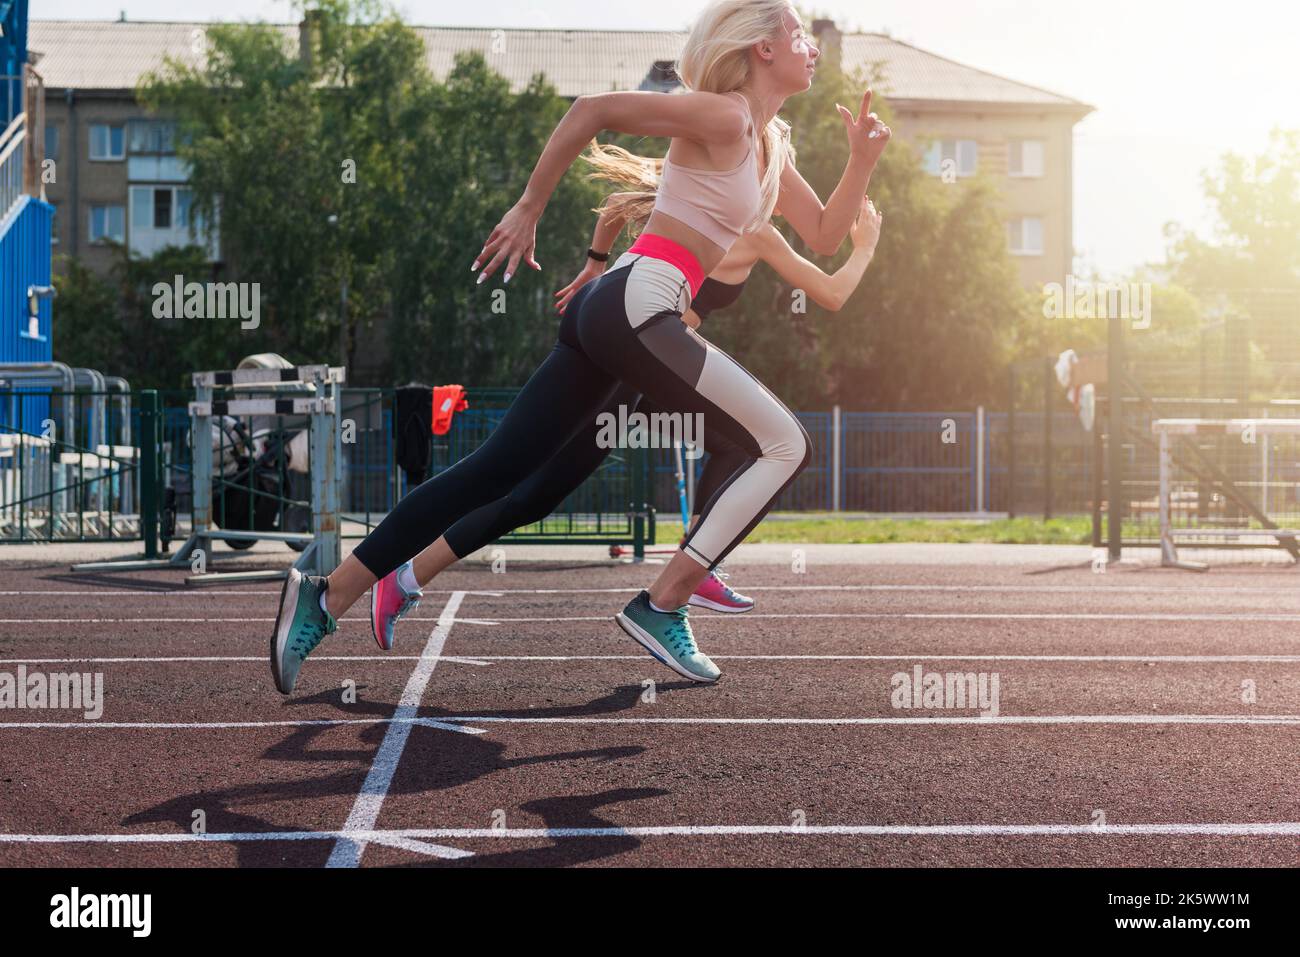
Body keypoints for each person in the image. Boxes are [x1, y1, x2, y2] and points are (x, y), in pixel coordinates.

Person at [270, 0, 891, 694]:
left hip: (620, 303)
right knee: (785, 443)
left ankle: (326, 596)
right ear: (763, 50)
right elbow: (592, 109)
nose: (811, 45)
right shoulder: (725, 115)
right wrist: (529, 207)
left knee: (495, 472)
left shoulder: (766, 143)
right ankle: (665, 601)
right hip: (638, 302)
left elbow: (829, 234)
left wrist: (862, 160)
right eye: (799, 32)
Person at [368, 174, 883, 649]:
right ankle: (403, 578)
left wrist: (597, 264)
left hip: (653, 370)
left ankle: (696, 562)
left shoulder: (753, 229)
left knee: (734, 444)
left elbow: (829, 292)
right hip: (626, 361)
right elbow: (618, 203)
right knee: (528, 497)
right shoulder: (703, 203)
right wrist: (595, 265)